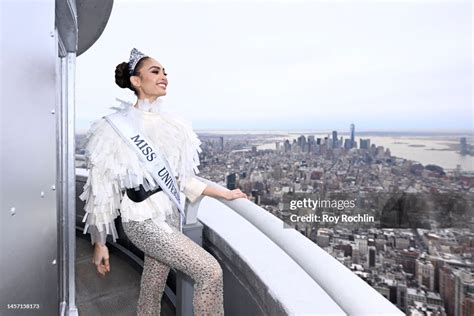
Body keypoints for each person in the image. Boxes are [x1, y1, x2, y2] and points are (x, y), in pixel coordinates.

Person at [79, 48, 247, 315]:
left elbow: (183, 179)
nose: (164, 76)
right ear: (136, 81)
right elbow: (102, 191)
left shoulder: (174, 125)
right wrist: (100, 243)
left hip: (169, 216)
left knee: (153, 283)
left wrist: (224, 194)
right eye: (155, 71)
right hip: (141, 221)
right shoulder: (113, 129)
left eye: (165, 72)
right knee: (209, 272)